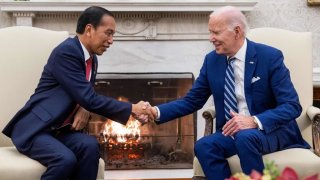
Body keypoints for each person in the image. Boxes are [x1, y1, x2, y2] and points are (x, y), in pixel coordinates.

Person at [148, 6, 310, 180]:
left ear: (237, 31)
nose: (211, 39)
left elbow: (292, 106)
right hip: (233, 133)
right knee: (204, 146)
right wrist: (156, 112)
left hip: (271, 130)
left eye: (216, 33)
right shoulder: (212, 61)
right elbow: (192, 101)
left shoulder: (269, 57)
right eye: (210, 32)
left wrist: (253, 121)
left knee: (246, 138)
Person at [2, 6, 154, 180]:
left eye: (113, 35)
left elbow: (82, 94)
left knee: (89, 146)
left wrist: (84, 106)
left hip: (59, 131)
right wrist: (133, 108)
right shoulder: (66, 52)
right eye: (108, 33)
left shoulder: (91, 58)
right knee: (65, 160)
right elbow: (88, 97)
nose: (111, 40)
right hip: (36, 130)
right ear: (89, 29)